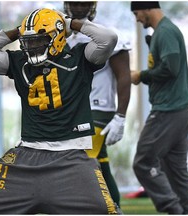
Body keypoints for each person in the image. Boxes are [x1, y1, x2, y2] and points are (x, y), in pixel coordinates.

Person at [0, 8, 120, 214]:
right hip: (26, 154)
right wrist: (16, 31)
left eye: (39, 40)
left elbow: (108, 38)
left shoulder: (80, 57)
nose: (32, 47)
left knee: (105, 211)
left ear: (57, 37)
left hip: (71, 156)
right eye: (28, 41)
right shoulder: (20, 62)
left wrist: (71, 24)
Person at [130, 2, 188, 214]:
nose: (137, 19)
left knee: (143, 162)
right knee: (176, 171)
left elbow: (171, 68)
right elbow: (167, 65)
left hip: (168, 111)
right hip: (181, 111)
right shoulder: (162, 32)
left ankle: (173, 209)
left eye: (137, 13)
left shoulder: (166, 32)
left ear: (148, 8)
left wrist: (141, 76)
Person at [64, 1, 131, 207]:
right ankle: (115, 208)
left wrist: (120, 116)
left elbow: (124, 77)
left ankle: (83, 208)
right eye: (74, 2)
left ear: (93, 4)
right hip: (72, 109)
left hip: (98, 109)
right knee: (99, 161)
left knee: (80, 162)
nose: (79, 7)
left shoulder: (108, 34)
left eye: (84, 2)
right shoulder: (60, 35)